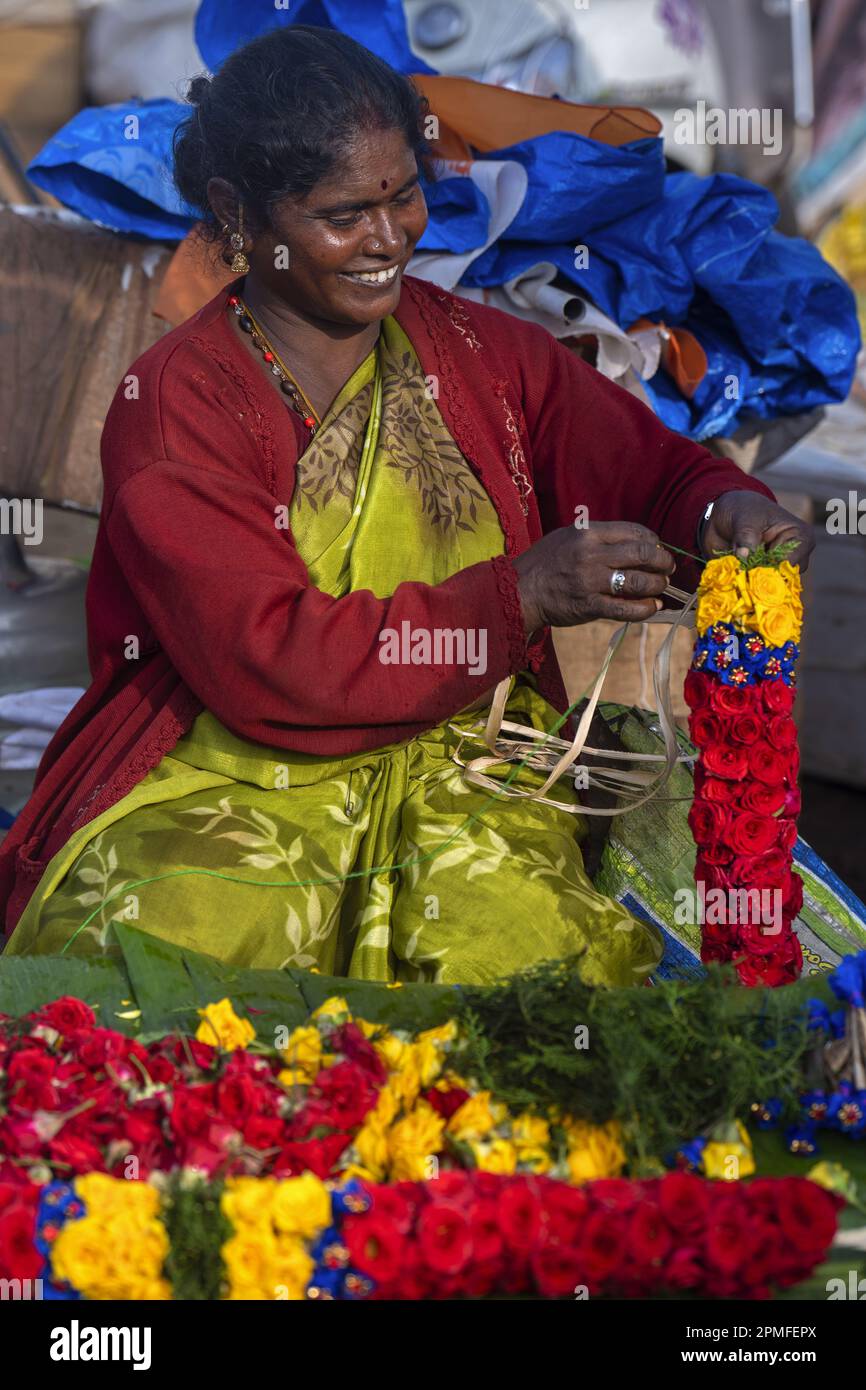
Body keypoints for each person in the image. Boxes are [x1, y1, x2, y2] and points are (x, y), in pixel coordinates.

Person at [0, 26, 812, 986]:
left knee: (515, 963)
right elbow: (270, 660)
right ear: (239, 213)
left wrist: (724, 511)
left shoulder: (477, 351)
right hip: (228, 766)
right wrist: (521, 596)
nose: (389, 240)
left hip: (463, 764)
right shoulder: (180, 406)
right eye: (345, 214)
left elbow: (654, 470)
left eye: (404, 197)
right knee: (162, 952)